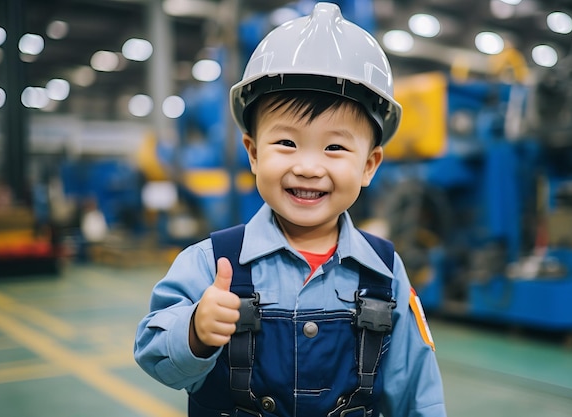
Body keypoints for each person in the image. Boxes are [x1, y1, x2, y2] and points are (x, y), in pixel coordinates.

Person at [134, 3, 447, 416]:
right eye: (286, 143)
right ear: (253, 153)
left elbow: (416, 391)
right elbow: (153, 351)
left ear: (369, 164)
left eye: (335, 147)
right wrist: (195, 331)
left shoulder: (384, 271)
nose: (308, 167)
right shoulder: (213, 263)